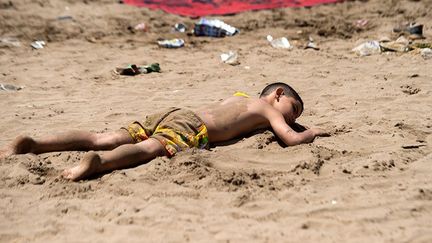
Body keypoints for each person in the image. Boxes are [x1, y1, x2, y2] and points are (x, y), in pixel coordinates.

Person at [0, 82, 329, 181]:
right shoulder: (271, 109)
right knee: (151, 149)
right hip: (193, 127)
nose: (293, 118)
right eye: (294, 110)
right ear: (278, 95)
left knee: (106, 135)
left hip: (177, 111)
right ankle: (99, 164)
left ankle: (35, 144)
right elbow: (291, 139)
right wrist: (311, 131)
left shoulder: (240, 97)